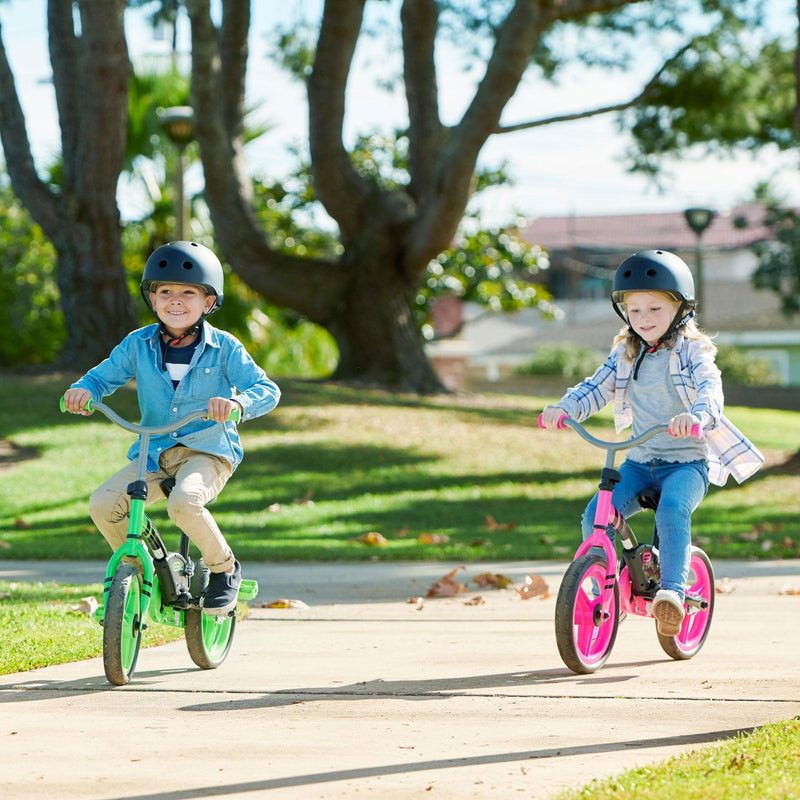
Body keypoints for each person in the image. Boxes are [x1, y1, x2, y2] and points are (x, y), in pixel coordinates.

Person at [540, 249, 764, 636]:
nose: (644, 319)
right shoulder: (625, 353)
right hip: (641, 461)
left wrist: (696, 417)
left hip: (686, 465)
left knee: (673, 509)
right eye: (635, 310)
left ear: (681, 310)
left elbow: (710, 388)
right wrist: (564, 409)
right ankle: (611, 584)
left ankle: (672, 595)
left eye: (655, 309)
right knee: (597, 515)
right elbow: (595, 387)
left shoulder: (692, 351)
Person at [63, 241, 280, 616]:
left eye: (188, 293)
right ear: (152, 298)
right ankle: (144, 573)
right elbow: (102, 377)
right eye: (165, 291)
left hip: (208, 451)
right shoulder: (138, 344)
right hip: (155, 452)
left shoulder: (225, 347)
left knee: (184, 502)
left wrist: (236, 404)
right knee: (104, 505)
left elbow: (267, 390)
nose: (175, 300)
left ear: (208, 302)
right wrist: (84, 390)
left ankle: (224, 568)